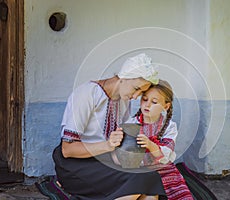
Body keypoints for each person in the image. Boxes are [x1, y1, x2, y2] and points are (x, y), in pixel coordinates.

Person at [52, 53, 166, 200]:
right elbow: (67, 150)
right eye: (136, 88)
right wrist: (108, 146)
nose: (136, 96)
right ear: (124, 77)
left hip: (103, 161)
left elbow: (118, 144)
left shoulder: (124, 100)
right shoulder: (87, 94)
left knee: (149, 178)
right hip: (74, 165)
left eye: (141, 92)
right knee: (137, 182)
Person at [126, 80, 194, 200]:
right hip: (138, 170)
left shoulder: (169, 127)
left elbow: (165, 157)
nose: (147, 105)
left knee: (181, 195)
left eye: (154, 102)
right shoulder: (131, 124)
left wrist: (150, 145)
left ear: (165, 106)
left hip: (163, 169)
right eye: (145, 99)